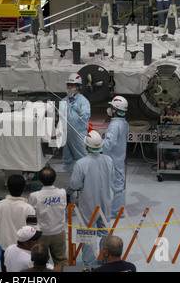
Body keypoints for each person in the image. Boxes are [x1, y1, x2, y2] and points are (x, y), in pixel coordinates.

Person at [68, 130, 114, 266]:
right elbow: (111, 178)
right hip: (105, 203)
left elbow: (74, 184)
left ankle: (89, 263)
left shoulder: (82, 163)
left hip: (88, 205)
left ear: (86, 146)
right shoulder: (109, 160)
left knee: (87, 235)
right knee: (105, 234)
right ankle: (106, 260)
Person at [0, 174, 38, 272]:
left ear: (7, 188)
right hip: (25, 252)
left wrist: (2, 243)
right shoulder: (28, 208)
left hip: (5, 251)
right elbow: (34, 232)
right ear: (24, 188)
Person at [28, 166, 68, 267]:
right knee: (61, 260)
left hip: (42, 234)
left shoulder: (35, 196)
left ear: (40, 180)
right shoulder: (62, 193)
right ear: (54, 179)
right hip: (59, 232)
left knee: (40, 261)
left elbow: (31, 212)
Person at [102, 96, 129, 219]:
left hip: (112, 159)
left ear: (116, 110)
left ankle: (116, 212)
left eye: (112, 107)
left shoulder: (114, 126)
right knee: (120, 184)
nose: (110, 109)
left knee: (117, 186)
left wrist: (96, 143)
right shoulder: (124, 123)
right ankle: (118, 209)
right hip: (119, 157)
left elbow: (108, 144)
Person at [62, 73, 91, 173]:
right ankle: (69, 179)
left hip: (78, 135)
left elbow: (86, 116)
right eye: (68, 85)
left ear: (78, 87)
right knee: (67, 158)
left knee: (82, 158)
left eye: (72, 85)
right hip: (66, 135)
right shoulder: (64, 100)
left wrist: (78, 110)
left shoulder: (83, 101)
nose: (70, 87)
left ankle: (85, 178)